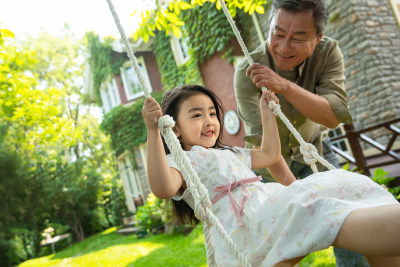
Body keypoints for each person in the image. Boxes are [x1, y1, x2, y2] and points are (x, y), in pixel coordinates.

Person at [142, 84, 400, 267]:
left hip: (266, 206)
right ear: (173, 129)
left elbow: (270, 153)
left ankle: (381, 215)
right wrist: (153, 133)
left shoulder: (230, 152)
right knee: (316, 205)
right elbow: (163, 188)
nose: (209, 120)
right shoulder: (182, 161)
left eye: (212, 113)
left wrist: (267, 114)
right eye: (196, 115)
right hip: (244, 228)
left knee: (330, 184)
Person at [233, 0, 367, 265]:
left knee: (349, 223)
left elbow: (332, 116)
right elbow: (266, 150)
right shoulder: (248, 72)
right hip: (271, 166)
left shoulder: (328, 52)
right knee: (276, 247)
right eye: (278, 33)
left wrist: (284, 86)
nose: (283, 47)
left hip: (314, 151)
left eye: (297, 38)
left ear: (317, 38)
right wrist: (301, 193)